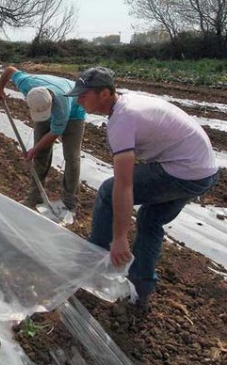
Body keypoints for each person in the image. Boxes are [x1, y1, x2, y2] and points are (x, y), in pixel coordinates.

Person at [66, 67, 219, 310]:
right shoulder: (125, 106)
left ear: (104, 94)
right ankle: (140, 291)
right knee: (149, 221)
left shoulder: (122, 121)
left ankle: (90, 265)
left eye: (84, 95)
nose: (79, 100)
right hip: (203, 171)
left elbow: (124, 184)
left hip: (184, 170)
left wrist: (119, 238)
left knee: (108, 191)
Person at [0, 66, 86, 218]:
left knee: (72, 156)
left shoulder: (62, 105)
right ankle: (35, 197)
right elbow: (10, 70)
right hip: (49, 97)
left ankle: (69, 203)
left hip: (75, 110)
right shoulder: (27, 84)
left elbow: (54, 133)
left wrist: (34, 149)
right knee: (41, 155)